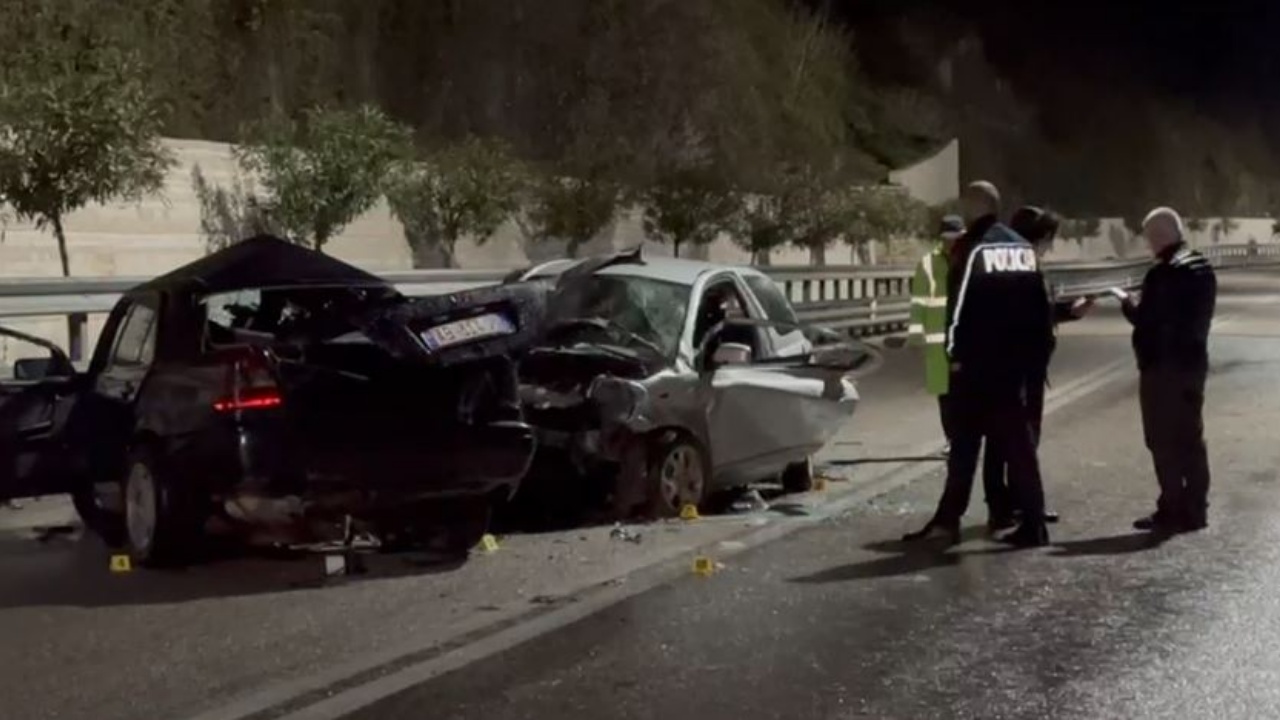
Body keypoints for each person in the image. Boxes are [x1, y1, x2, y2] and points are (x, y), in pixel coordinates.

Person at [903, 181, 1055, 547]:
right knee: (1019, 450)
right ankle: (1034, 523)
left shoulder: (972, 248)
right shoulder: (1021, 247)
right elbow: (1039, 310)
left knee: (965, 448)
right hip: (1013, 369)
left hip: (976, 368)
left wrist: (953, 357)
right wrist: (1034, 360)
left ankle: (947, 521)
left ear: (974, 206)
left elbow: (957, 309)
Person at [982, 206, 1093, 529]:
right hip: (1015, 369)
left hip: (1027, 368)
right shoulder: (1014, 268)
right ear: (1040, 237)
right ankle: (1007, 505)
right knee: (1008, 440)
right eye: (1049, 239)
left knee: (1016, 439)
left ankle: (1017, 501)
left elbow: (1037, 312)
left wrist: (1069, 312)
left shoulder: (1021, 265)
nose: (1050, 246)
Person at [1123, 207, 1216, 533]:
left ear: (1159, 236)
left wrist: (1129, 303)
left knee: (1162, 439)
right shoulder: (1202, 267)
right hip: (1193, 365)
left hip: (1163, 368)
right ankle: (1196, 508)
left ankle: (1172, 507)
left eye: (1149, 238)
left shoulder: (1163, 274)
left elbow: (1147, 319)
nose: (1149, 245)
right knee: (1191, 437)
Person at [908, 215, 965, 451]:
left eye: (957, 238)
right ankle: (953, 440)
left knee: (965, 393)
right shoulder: (928, 264)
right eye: (948, 239)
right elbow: (918, 302)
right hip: (937, 341)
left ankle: (966, 439)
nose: (952, 243)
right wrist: (915, 336)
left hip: (964, 340)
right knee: (945, 396)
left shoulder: (970, 261)